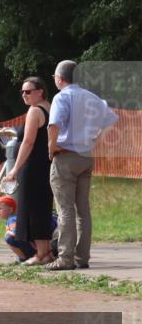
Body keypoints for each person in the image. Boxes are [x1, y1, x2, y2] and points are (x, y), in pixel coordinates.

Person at [44, 60, 119, 271]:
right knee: (83, 210)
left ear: (59, 78)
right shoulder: (92, 98)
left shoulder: (62, 97)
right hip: (86, 156)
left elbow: (54, 125)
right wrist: (96, 139)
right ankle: (82, 257)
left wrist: (51, 148)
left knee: (65, 209)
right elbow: (112, 120)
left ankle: (65, 257)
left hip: (65, 156)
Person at [3, 76, 55, 266]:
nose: (24, 95)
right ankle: (46, 251)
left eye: (28, 91)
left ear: (40, 91)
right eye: (22, 92)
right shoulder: (50, 108)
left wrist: (15, 168)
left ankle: (41, 254)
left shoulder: (34, 111)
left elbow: (28, 141)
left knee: (32, 208)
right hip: (46, 165)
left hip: (33, 166)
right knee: (42, 207)